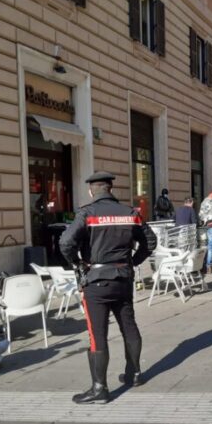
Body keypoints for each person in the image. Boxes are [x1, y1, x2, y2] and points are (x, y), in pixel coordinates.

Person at [60, 171, 157, 404]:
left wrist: (78, 263)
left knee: (98, 335)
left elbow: (65, 242)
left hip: (97, 281)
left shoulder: (87, 213)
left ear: (92, 190)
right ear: (110, 189)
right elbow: (150, 242)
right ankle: (134, 374)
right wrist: (134, 260)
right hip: (123, 278)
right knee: (129, 326)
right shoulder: (130, 213)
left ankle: (99, 388)